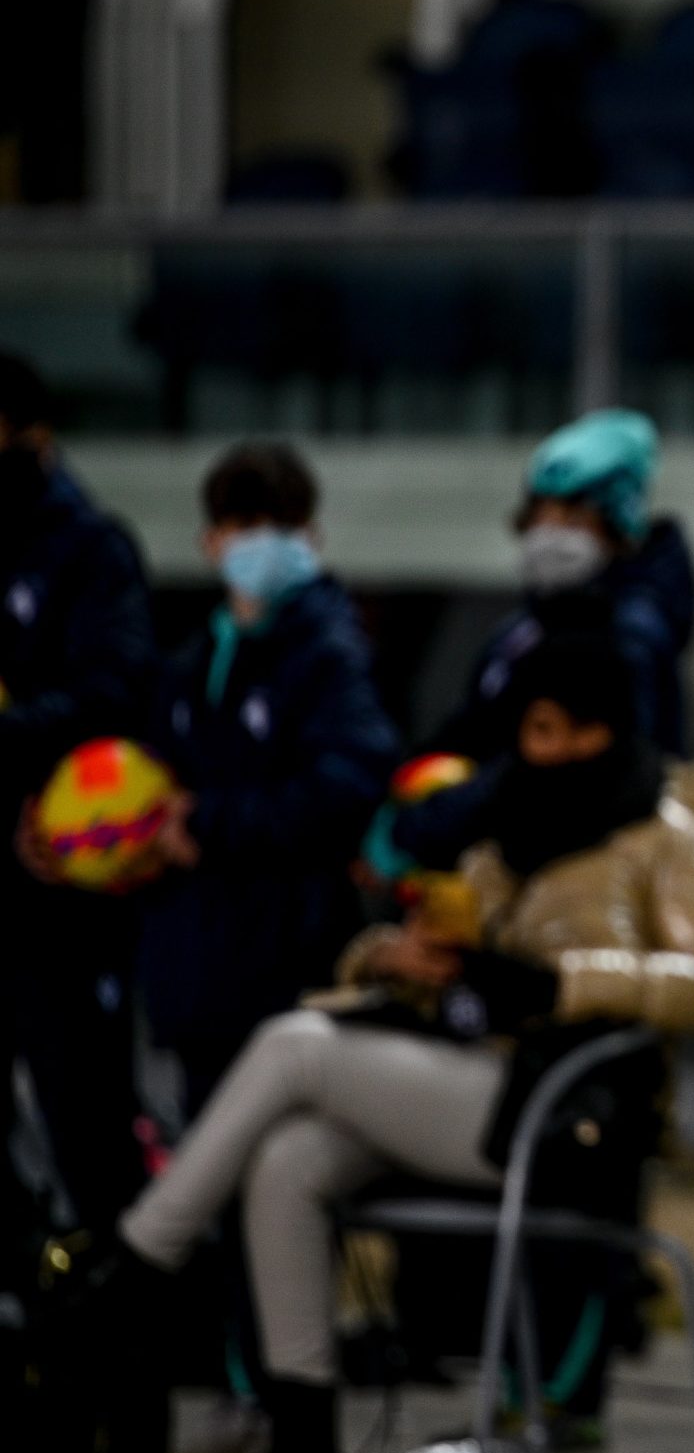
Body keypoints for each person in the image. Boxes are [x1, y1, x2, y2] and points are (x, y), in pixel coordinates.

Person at [63, 633, 694, 1453]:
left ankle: (136, 1266)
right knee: (288, 1159)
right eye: (530, 731)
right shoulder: (503, 825)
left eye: (557, 730)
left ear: (605, 731)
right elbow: (452, 965)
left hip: (570, 1115)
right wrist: (390, 959)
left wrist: (562, 983)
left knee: (293, 1047)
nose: (540, 751)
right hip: (477, 1077)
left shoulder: (672, 834)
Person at [137, 442, 401, 1112]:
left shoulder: (329, 654)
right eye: (244, 526)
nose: (262, 544)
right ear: (210, 542)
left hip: (286, 964)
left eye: (279, 527)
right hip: (200, 972)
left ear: (311, 538)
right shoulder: (191, 664)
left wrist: (209, 822)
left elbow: (349, 786)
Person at [0, 352, 157, 1237]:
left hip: (60, 888)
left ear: (32, 434)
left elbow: (114, 695)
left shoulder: (91, 550)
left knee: (86, 1127)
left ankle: (112, 1305)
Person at [424, 408, 694, 764]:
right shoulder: (520, 631)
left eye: (573, 518)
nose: (549, 535)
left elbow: (630, 768)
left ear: (617, 527)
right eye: (540, 515)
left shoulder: (630, 635)